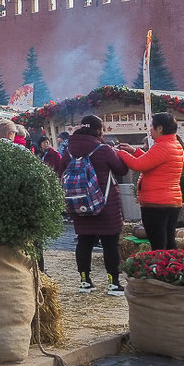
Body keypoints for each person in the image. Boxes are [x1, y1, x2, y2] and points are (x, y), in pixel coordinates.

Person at [57, 115, 128, 295]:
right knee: (110, 243)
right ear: (99, 129)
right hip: (105, 203)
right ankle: (113, 283)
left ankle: (85, 282)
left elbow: (60, 171)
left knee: (84, 241)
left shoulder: (69, 150)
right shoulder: (103, 149)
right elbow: (121, 170)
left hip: (79, 202)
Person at [116, 112, 184, 251]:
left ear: (160, 128)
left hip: (156, 203)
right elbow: (150, 161)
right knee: (169, 242)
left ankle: (161, 271)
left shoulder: (163, 146)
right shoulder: (172, 144)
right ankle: (173, 269)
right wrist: (133, 150)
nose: (150, 130)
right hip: (170, 201)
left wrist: (119, 153)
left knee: (158, 244)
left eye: (152, 126)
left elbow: (138, 165)